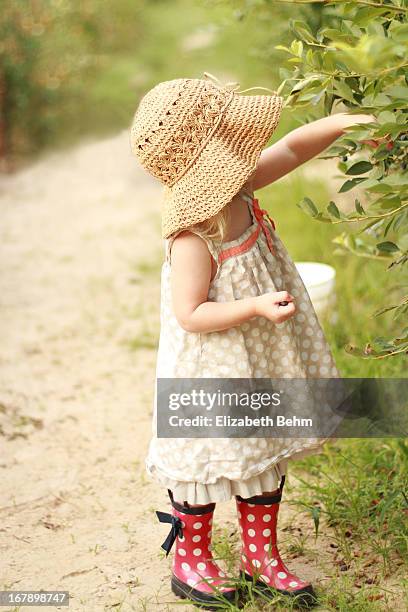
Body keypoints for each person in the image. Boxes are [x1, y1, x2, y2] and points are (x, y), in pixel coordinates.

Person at [130, 73, 374, 609]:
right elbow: (191, 314)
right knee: (208, 459)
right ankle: (191, 559)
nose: (250, 155)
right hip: (214, 366)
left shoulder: (238, 185)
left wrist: (344, 123)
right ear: (208, 164)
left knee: (264, 451)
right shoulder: (195, 233)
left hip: (260, 354)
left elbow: (290, 148)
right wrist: (256, 305)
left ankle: (260, 555)